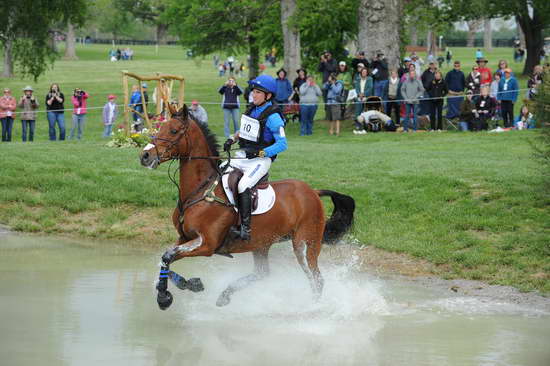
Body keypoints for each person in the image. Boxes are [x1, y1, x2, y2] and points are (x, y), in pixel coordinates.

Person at [222, 75, 287, 241]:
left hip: (260, 161)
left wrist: (262, 153)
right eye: (253, 91)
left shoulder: (273, 117)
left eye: (258, 92)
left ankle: (245, 229)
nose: (254, 95)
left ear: (268, 96)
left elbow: (282, 144)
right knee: (220, 170)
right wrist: (232, 138)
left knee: (243, 185)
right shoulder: (251, 109)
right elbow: (243, 131)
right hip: (244, 156)